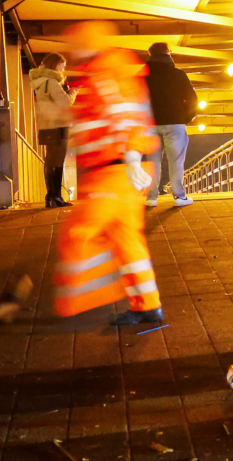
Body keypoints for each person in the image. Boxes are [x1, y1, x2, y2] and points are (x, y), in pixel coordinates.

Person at [58, 20, 165, 325]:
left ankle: (92, 294)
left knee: (77, 233)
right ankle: (148, 306)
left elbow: (123, 116)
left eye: (76, 42)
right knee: (126, 239)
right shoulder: (114, 69)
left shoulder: (105, 71)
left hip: (113, 171)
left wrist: (130, 160)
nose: (73, 50)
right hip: (121, 169)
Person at [144, 42, 198, 206]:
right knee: (176, 161)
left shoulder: (143, 77)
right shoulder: (178, 75)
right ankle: (179, 196)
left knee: (152, 162)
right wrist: (185, 118)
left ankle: (151, 198)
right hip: (175, 123)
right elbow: (192, 99)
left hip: (151, 124)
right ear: (168, 54)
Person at [31, 52, 73, 208]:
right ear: (56, 64)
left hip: (46, 124)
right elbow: (65, 102)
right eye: (62, 65)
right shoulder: (52, 82)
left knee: (50, 160)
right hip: (59, 124)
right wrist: (73, 91)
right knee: (58, 161)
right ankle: (56, 197)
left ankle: (50, 196)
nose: (63, 68)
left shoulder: (40, 82)